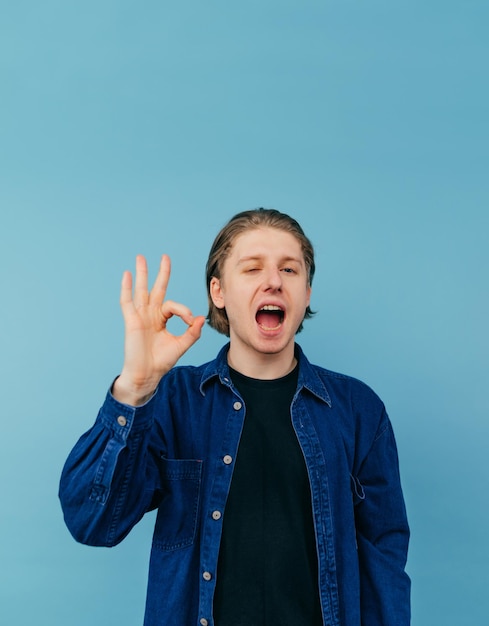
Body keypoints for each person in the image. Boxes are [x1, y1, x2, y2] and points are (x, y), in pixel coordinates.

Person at [59, 208, 410, 626]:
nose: (274, 281)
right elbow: (91, 522)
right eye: (252, 268)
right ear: (219, 291)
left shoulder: (359, 411)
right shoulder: (172, 401)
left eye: (289, 269)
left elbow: (383, 567)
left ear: (307, 293)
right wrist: (135, 388)